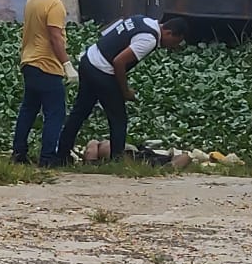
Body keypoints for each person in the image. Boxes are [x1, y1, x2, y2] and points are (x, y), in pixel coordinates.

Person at [56, 16, 188, 164]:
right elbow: (119, 62)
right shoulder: (149, 39)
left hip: (89, 60)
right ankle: (116, 161)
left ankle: (61, 154)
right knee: (118, 118)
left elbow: (107, 35)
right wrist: (125, 91)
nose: (171, 47)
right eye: (174, 43)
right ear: (169, 33)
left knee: (79, 112)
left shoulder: (141, 19)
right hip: (102, 70)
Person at [11, 0, 79, 167]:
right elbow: (55, 37)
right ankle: (48, 158)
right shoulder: (54, 4)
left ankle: (19, 153)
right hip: (47, 65)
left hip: (29, 61)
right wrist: (67, 64)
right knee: (55, 113)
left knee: (28, 110)